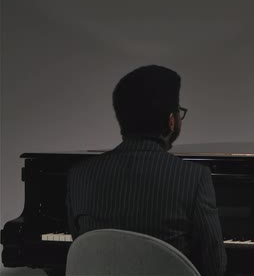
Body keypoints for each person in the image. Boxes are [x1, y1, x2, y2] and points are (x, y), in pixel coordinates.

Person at [67, 65, 226, 276]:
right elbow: (214, 266)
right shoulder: (194, 178)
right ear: (171, 121)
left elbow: (84, 250)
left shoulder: (79, 176)